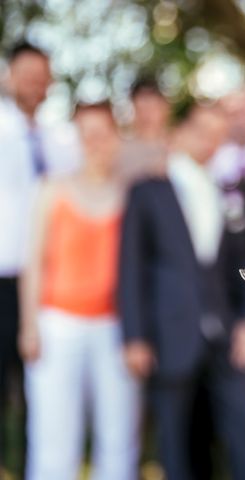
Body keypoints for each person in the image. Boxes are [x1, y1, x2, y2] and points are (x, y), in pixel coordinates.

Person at [118, 104, 245, 480]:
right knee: (176, 444)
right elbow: (130, 268)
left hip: (226, 333)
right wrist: (135, 337)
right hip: (169, 334)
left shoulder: (230, 191)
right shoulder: (147, 191)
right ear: (178, 132)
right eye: (202, 130)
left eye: (218, 134)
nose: (209, 142)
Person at [20, 103, 140, 480]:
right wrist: (29, 326)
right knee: (53, 438)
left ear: (115, 138)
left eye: (102, 133)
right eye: (85, 134)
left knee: (119, 438)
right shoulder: (52, 189)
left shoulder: (130, 195)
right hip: (58, 325)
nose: (94, 142)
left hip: (115, 329)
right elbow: (34, 261)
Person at [0, 41, 80, 474]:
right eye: (25, 74)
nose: (34, 83)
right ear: (8, 76)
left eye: (41, 75)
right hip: (2, 278)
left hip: (47, 285)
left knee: (41, 392)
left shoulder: (61, 141)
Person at [116, 78, 170, 186]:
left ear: (165, 108)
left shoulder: (178, 146)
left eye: (152, 108)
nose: (147, 116)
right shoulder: (119, 150)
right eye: (141, 109)